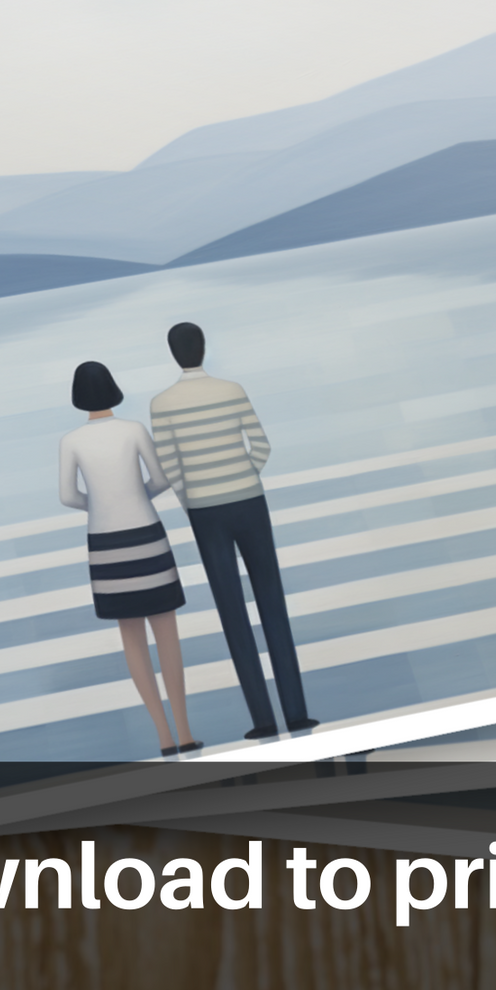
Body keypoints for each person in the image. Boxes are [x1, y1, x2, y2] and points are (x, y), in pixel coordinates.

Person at [149, 322, 316, 741]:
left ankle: (262, 720)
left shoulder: (162, 403)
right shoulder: (232, 389)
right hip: (250, 501)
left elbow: (170, 468)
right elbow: (261, 446)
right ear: (203, 347)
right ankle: (296, 713)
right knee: (272, 602)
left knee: (231, 610)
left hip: (206, 511)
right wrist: (244, 477)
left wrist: (194, 500)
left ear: (173, 354)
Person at [58, 359, 199, 755]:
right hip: (147, 535)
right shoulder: (134, 429)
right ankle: (186, 732)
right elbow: (161, 478)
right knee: (166, 631)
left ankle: (164, 738)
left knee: (131, 636)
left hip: (105, 543)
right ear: (113, 388)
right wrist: (135, 497)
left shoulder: (71, 441)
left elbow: (68, 496)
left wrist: (100, 504)